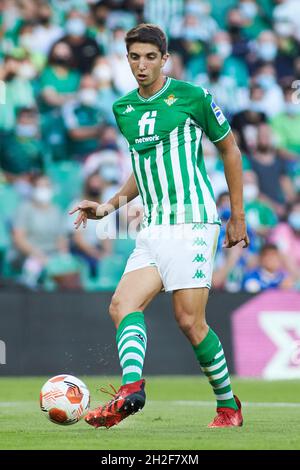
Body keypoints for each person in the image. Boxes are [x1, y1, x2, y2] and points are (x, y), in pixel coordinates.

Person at [70, 23, 249, 429]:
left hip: (193, 221)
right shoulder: (124, 109)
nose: (142, 64)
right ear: (127, 59)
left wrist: (237, 215)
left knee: (189, 321)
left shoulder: (193, 96)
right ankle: (131, 388)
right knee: (121, 305)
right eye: (135, 57)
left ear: (164, 59)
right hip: (154, 226)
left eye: (151, 57)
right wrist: (106, 208)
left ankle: (228, 406)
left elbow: (230, 150)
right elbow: (142, 169)